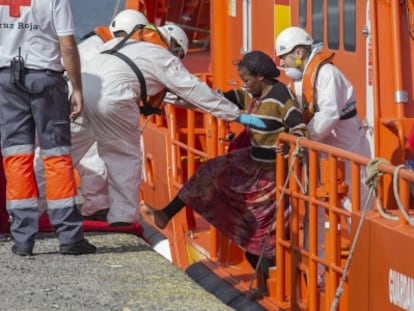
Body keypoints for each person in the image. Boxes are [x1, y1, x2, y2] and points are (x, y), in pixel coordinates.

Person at [142, 50, 308, 296]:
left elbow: (300, 129)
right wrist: (175, 96)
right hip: (249, 162)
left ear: (261, 77)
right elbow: (219, 99)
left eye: (247, 79)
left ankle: (266, 284)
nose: (244, 84)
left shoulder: (282, 98)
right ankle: (165, 213)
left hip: (271, 175)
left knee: (259, 231)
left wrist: (289, 142)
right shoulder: (250, 93)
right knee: (207, 172)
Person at [72, 25, 263, 228]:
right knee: (124, 157)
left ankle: (38, 205)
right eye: (179, 55)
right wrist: (236, 114)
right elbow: (190, 88)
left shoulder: (120, 44)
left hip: (79, 92)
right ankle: (123, 218)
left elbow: (174, 95)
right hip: (112, 99)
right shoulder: (161, 57)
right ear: (174, 46)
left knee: (64, 151)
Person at [275, 26, 372, 284]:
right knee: (314, 211)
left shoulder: (327, 74)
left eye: (283, 57)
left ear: (298, 52)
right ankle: (314, 272)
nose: (282, 63)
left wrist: (301, 137)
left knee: (357, 210)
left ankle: (368, 269)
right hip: (321, 153)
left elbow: (329, 115)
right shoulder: (299, 79)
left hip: (348, 151)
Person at [0, 0, 96, 256]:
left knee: (16, 156)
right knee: (56, 155)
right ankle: (69, 237)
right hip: (46, 80)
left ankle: (22, 239)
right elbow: (67, 44)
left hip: (6, 80)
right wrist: (77, 87)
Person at [34, 9, 149, 220]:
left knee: (72, 155)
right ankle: (49, 206)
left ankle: (91, 205)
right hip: (77, 102)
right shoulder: (102, 50)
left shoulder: (96, 45)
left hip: (74, 100)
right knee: (64, 155)